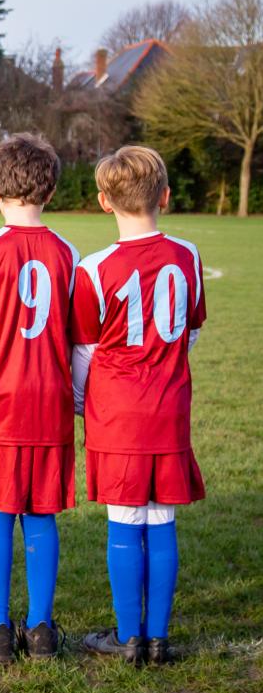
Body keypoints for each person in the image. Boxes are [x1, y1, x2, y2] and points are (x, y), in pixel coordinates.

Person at [72, 146, 205, 666]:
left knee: (126, 518)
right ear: (166, 196)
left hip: (118, 411)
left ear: (104, 201)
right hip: (169, 408)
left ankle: (129, 639)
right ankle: (158, 637)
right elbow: (191, 328)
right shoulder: (188, 255)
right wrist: (165, 363)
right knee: (162, 517)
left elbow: (83, 350)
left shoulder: (94, 268)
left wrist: (84, 402)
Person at [0, 133, 78, 664]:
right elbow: (77, 336)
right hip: (49, 399)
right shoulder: (69, 253)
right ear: (49, 187)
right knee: (42, 514)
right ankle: (42, 629)